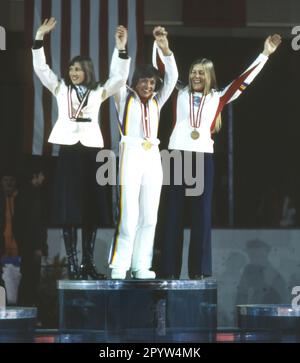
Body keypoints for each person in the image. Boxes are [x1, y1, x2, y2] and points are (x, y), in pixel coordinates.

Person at [157, 34, 282, 279]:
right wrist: (165, 49)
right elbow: (166, 71)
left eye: (201, 72)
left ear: (209, 76)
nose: (195, 76)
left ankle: (198, 272)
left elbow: (242, 80)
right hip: (176, 156)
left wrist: (265, 54)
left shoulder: (218, 97)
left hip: (202, 158)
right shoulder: (178, 91)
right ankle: (168, 271)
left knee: (200, 217)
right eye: (193, 71)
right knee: (172, 215)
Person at [32, 17, 130, 280]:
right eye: (71, 68)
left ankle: (88, 263)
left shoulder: (98, 91)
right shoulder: (60, 88)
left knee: (91, 208)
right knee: (68, 209)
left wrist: (121, 48)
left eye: (78, 69)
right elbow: (42, 70)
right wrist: (39, 37)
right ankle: (73, 265)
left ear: (87, 70)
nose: (74, 72)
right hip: (68, 152)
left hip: (92, 152)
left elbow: (120, 78)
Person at [109, 26, 178, 279]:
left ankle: (141, 265)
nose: (148, 85)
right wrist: (121, 48)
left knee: (150, 215)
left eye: (151, 82)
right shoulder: (123, 97)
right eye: (144, 81)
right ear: (135, 81)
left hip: (152, 155)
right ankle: (120, 264)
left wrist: (165, 48)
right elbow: (117, 76)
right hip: (131, 152)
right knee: (129, 214)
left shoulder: (158, 101)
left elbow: (171, 78)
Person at [13, 159, 48, 307]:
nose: (43, 178)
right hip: (32, 245)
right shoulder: (33, 195)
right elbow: (35, 223)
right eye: (41, 175)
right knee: (31, 278)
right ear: (35, 176)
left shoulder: (23, 194)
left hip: (25, 244)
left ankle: (25, 308)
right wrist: (38, 246)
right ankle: (27, 309)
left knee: (28, 277)